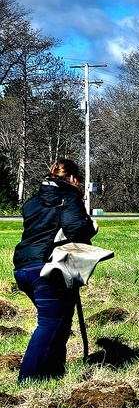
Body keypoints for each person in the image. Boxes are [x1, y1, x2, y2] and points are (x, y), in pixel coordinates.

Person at [13, 158, 99, 383]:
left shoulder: (32, 202)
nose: (79, 184)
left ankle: (53, 373)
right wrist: (91, 228)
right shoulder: (68, 197)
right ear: (72, 178)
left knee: (60, 320)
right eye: (78, 180)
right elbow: (75, 230)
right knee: (50, 323)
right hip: (47, 268)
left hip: (23, 268)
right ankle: (28, 379)